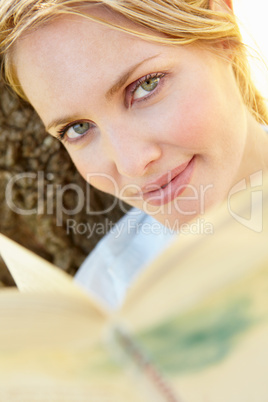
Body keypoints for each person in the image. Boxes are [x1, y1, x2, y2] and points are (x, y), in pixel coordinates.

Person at [1, 0, 268, 306]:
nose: (132, 164)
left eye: (145, 86)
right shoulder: (103, 298)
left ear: (221, 36)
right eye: (77, 128)